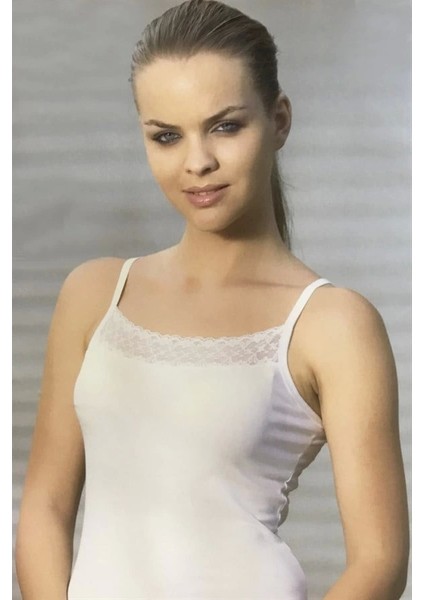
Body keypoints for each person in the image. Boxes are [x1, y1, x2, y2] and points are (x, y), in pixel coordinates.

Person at [15, 1, 409, 598]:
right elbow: (44, 508)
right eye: (166, 136)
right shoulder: (94, 295)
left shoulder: (332, 324)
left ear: (279, 120)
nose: (197, 162)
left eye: (225, 126)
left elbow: (380, 563)